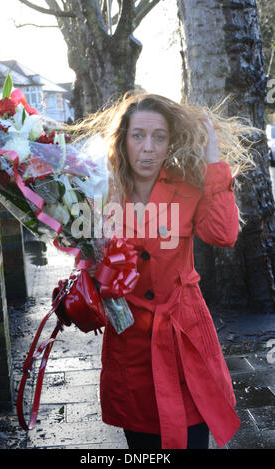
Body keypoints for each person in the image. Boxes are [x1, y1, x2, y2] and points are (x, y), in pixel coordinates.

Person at [72, 93, 256, 449]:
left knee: (192, 435)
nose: (148, 147)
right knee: (143, 446)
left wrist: (213, 159)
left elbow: (223, 234)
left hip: (182, 333)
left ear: (171, 141)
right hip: (130, 340)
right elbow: (84, 254)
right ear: (122, 139)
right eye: (138, 135)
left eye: (159, 137)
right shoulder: (100, 191)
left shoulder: (187, 185)